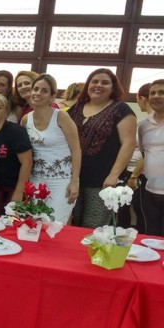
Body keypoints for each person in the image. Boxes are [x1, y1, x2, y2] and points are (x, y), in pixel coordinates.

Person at [68, 68, 136, 228]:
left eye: (105, 82)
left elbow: (129, 144)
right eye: (95, 81)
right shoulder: (77, 107)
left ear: (113, 87)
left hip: (103, 181)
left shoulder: (122, 110)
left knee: (94, 225)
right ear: (88, 85)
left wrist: (114, 175)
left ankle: (91, 254)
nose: (99, 85)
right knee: (74, 223)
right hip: (75, 178)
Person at [21, 74, 81, 224]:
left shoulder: (61, 117)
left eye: (44, 91)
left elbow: (76, 150)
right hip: (36, 179)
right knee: (34, 223)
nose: (38, 93)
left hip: (61, 181)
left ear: (52, 96)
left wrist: (74, 181)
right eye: (35, 89)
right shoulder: (25, 119)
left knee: (54, 224)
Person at [133, 80, 164, 236]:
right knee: (150, 234)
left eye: (162, 92)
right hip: (150, 190)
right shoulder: (143, 125)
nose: (156, 96)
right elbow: (145, 153)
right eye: (153, 93)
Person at [124, 83, 152, 231]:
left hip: (141, 174)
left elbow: (147, 153)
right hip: (132, 171)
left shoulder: (147, 123)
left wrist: (134, 175)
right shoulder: (144, 122)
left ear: (141, 98)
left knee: (142, 211)